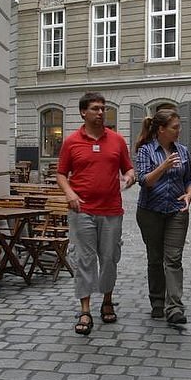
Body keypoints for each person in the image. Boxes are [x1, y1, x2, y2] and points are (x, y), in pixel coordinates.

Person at [56, 92, 136, 336]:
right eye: (95, 108)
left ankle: (107, 300)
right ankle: (85, 309)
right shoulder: (71, 142)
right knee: (84, 260)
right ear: (83, 112)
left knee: (109, 258)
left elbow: (128, 168)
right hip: (82, 210)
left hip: (111, 210)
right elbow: (61, 174)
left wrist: (130, 176)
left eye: (103, 108)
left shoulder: (117, 140)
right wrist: (69, 193)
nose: (101, 112)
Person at [134, 109, 191, 324]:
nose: (179, 131)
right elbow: (144, 181)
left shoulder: (183, 151)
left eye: (179, 127)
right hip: (150, 211)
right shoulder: (145, 150)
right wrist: (164, 166)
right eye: (175, 127)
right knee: (155, 258)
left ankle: (175, 307)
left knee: (174, 259)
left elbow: (190, 180)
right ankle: (157, 302)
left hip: (177, 211)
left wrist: (189, 195)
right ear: (161, 129)